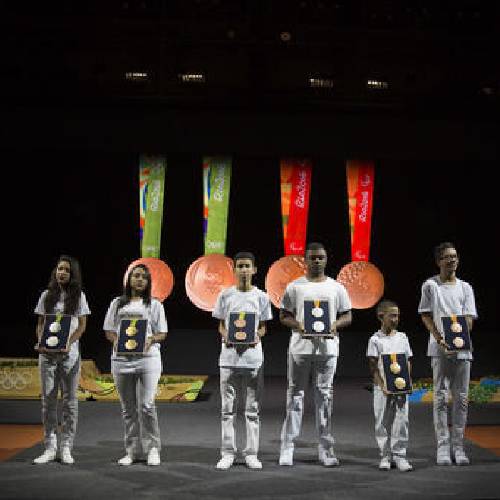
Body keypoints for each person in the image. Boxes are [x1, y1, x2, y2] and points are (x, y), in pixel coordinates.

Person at [279, 242, 352, 467]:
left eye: (321, 257)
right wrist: (299, 325)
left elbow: (347, 316)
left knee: (325, 397)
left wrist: (335, 325)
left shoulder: (337, 287)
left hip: (327, 349)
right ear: (306, 260)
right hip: (300, 348)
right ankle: (288, 447)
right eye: (313, 258)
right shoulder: (294, 287)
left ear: (326, 259)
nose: (317, 261)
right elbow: (283, 315)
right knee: (295, 396)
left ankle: (326, 449)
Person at [418, 242, 477, 466]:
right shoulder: (430, 285)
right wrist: (441, 338)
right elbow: (425, 314)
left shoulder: (466, 288)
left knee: (461, 399)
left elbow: (469, 318)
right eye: (446, 257)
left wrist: (459, 338)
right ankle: (443, 448)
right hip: (439, 348)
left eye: (454, 256)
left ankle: (459, 448)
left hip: (463, 348)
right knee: (441, 397)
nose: (452, 260)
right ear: (438, 261)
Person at [212, 252, 272, 470]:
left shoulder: (262, 296)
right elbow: (220, 324)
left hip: (252, 358)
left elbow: (264, 326)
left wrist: (257, 336)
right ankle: (228, 452)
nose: (244, 270)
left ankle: (251, 453)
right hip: (228, 358)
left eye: (248, 266)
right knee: (227, 408)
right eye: (240, 266)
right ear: (234, 270)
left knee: (252, 409)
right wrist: (225, 334)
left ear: (254, 269)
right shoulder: (225, 295)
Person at [103, 263, 167, 466]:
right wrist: (117, 342)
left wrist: (150, 340)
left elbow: (162, 333)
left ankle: (153, 449)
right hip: (121, 360)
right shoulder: (117, 304)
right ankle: (132, 450)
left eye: (143, 277)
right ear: (129, 279)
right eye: (136, 276)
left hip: (148, 359)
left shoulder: (155, 305)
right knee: (127, 408)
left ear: (148, 282)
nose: (139, 279)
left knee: (147, 405)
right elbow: (109, 330)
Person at [33, 255, 91, 465]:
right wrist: (41, 342)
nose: (62, 273)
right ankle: (50, 447)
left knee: (69, 401)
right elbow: (40, 323)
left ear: (72, 274)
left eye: (66, 270)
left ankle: (66, 447)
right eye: (59, 269)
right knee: (48, 401)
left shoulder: (79, 297)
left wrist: (69, 343)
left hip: (69, 355)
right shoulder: (46, 295)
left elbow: (82, 326)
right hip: (47, 356)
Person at [367, 300, 413, 472]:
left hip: (400, 387)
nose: (396, 319)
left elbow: (407, 361)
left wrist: (407, 381)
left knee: (402, 420)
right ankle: (386, 455)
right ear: (381, 316)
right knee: (382, 421)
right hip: (383, 388)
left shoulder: (402, 338)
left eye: (398, 316)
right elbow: (373, 366)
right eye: (392, 315)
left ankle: (400, 455)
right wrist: (382, 385)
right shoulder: (375, 340)